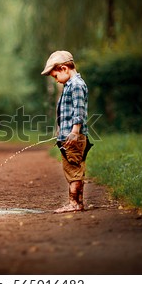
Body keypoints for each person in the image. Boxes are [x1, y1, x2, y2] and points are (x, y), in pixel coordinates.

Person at [41, 50, 92, 213]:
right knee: (75, 169)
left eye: (55, 76)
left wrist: (75, 131)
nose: (56, 80)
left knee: (73, 171)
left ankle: (73, 204)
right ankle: (79, 203)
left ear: (64, 68)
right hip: (69, 136)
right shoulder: (70, 84)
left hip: (73, 137)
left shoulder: (76, 85)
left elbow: (79, 110)